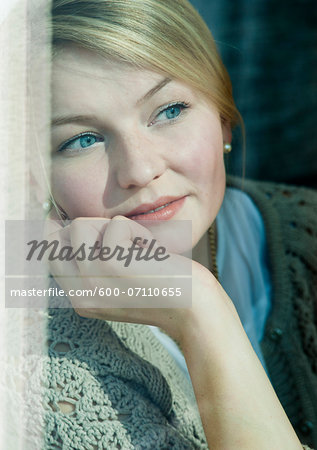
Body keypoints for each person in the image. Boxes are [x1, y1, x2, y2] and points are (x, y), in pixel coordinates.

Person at [43, 0, 317, 448]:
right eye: (82, 139)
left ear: (224, 120)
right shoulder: (38, 354)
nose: (140, 169)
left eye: (169, 111)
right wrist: (199, 312)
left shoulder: (306, 230)